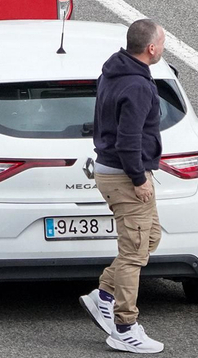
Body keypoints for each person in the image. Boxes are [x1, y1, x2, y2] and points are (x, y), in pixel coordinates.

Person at [80, 18, 167, 354]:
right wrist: (139, 178)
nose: (163, 47)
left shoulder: (114, 72)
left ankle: (102, 294)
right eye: (163, 42)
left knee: (151, 237)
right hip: (125, 175)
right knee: (133, 254)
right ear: (151, 48)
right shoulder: (138, 87)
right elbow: (129, 139)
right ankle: (124, 327)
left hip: (110, 170)